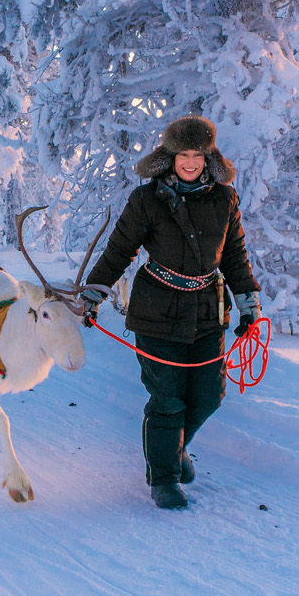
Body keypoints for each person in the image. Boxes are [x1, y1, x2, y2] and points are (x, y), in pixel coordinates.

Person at [85, 116, 261, 510]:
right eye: (183, 154)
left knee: (208, 395)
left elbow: (234, 255)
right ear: (170, 156)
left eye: (198, 155)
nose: (190, 162)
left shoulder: (224, 199)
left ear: (208, 157)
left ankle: (176, 447)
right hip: (157, 311)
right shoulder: (146, 200)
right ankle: (163, 478)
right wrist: (95, 294)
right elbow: (119, 251)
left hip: (207, 312)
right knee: (167, 399)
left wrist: (248, 303)